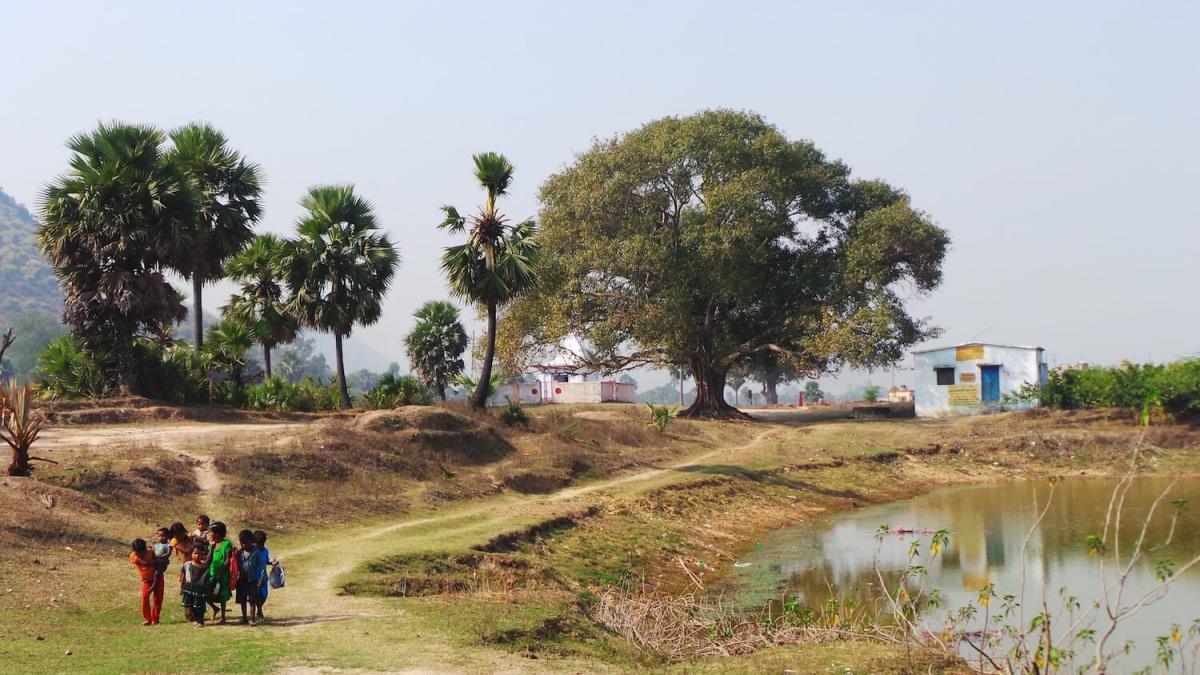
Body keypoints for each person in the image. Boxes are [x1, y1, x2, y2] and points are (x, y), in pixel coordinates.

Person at [129, 538, 163, 625]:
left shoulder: (150, 552)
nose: (140, 554)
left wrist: (157, 560)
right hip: (147, 581)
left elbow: (156, 562)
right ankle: (147, 619)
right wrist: (158, 561)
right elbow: (145, 563)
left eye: (141, 552)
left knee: (158, 598)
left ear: (144, 549)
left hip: (158, 578)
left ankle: (155, 619)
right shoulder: (134, 556)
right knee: (145, 597)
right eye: (138, 552)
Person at [235, 530, 265, 625]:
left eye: (245, 542)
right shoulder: (239, 553)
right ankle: (244, 618)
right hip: (242, 580)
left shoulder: (255, 553)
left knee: (252, 600)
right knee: (243, 600)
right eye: (241, 542)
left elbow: (261, 566)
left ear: (250, 542)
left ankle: (252, 619)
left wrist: (260, 578)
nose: (243, 544)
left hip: (252, 581)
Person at [207, 522, 234, 624]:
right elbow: (209, 558)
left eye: (211, 533)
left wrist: (220, 571)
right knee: (207, 593)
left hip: (223, 574)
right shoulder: (211, 545)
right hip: (212, 573)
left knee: (222, 595)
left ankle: (223, 616)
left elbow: (227, 560)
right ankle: (214, 608)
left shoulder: (226, 544)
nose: (209, 535)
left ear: (217, 534)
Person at [180, 545, 209, 626]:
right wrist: (181, 587)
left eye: (200, 554)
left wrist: (206, 589)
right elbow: (183, 576)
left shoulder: (204, 566)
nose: (197, 555)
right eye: (195, 553)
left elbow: (206, 579)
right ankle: (194, 618)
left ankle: (200, 620)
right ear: (191, 554)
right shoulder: (187, 564)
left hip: (199, 589)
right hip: (188, 587)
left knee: (199, 606)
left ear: (203, 555)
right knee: (189, 605)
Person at [253, 530, 276, 622]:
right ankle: (258, 612)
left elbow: (265, 561)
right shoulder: (251, 551)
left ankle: (259, 609)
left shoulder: (265, 550)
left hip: (263, 577)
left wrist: (272, 562)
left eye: (262, 543)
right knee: (255, 595)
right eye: (258, 544)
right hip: (253, 577)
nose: (261, 546)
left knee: (264, 595)